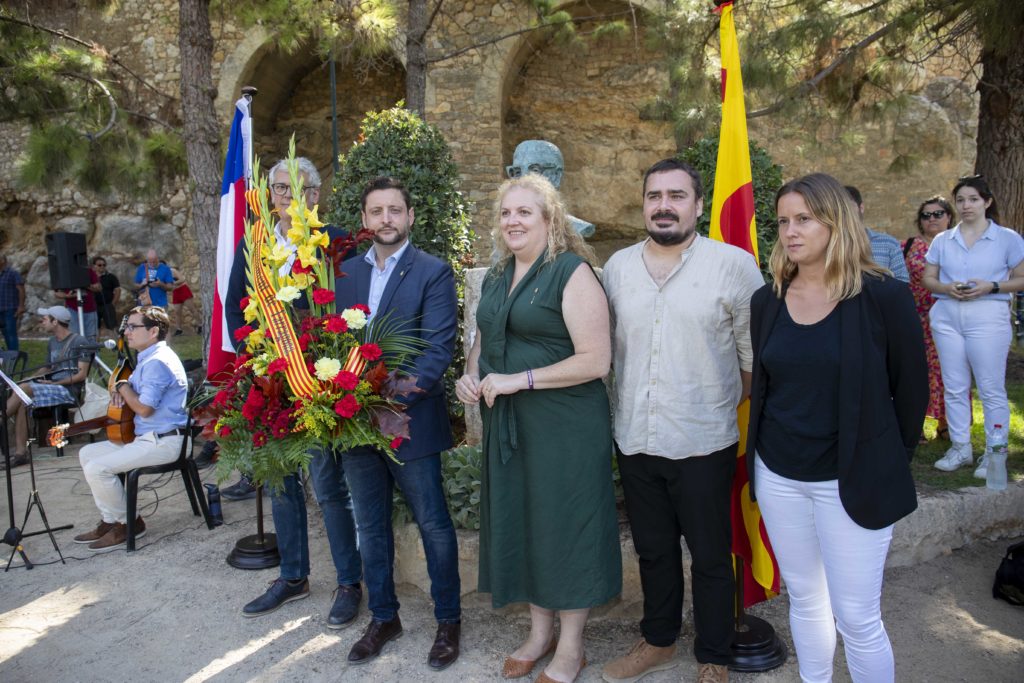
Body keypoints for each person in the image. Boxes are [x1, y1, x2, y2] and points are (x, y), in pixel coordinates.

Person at [747, 172, 927, 682]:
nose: (790, 231)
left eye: (803, 219)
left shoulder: (882, 297)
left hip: (852, 477)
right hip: (780, 474)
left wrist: (889, 458)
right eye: (783, 221)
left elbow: (910, 392)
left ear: (836, 221)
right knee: (804, 598)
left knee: (857, 616)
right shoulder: (769, 301)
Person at [601, 159, 764, 683]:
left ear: (698, 204)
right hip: (635, 437)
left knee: (712, 556)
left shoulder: (734, 266)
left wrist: (707, 402)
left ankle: (714, 654)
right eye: (654, 195)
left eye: (676, 195)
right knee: (653, 550)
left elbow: (752, 360)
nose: (664, 205)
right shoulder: (617, 268)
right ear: (644, 203)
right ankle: (658, 641)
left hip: (703, 441)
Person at [456, 175, 620, 683]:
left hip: (565, 427)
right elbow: (486, 338)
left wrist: (519, 380)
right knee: (526, 522)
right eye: (506, 213)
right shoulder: (498, 274)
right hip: (511, 426)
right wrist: (471, 375)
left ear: (550, 220)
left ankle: (571, 647)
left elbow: (597, 360)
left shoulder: (571, 272)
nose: (513, 221)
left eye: (525, 212)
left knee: (565, 526)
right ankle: (539, 631)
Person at [224, 156, 364, 629]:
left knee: (328, 486)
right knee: (282, 485)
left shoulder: (333, 239)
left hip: (317, 380)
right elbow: (235, 306)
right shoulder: (256, 242)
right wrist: (256, 361)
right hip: (271, 378)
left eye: (298, 190)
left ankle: (349, 582)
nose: (288, 199)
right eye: (279, 189)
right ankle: (293, 576)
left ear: (315, 196)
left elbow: (348, 305)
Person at [334, 176, 461, 670]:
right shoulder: (343, 274)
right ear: (364, 221)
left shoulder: (432, 271)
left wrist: (380, 400)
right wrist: (340, 400)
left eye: (395, 210)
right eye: (376, 211)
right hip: (351, 424)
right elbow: (327, 343)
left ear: (409, 217)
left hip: (409, 422)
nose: (386, 218)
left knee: (433, 523)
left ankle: (448, 621)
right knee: (370, 523)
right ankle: (384, 617)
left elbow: (436, 351)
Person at [924, 175, 1024, 477]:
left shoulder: (1007, 238)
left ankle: (995, 454)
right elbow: (929, 278)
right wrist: (946, 287)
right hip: (948, 317)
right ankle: (960, 448)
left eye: (973, 199)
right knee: (954, 386)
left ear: (987, 202)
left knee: (991, 387)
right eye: (961, 200)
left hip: (988, 317)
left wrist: (991, 286)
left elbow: (1021, 278)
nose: (967, 206)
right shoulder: (944, 240)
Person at [71, 305, 188, 551]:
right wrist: (121, 392)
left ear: (154, 330)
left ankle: (129, 524)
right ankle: (111, 520)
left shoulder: (158, 362)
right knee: (87, 454)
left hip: (166, 441)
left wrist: (122, 386)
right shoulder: (148, 358)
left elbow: (144, 409)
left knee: (98, 468)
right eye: (127, 327)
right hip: (147, 437)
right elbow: (134, 397)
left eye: (133, 327)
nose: (126, 332)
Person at [2, 306, 93, 470]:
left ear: (55, 321)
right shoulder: (52, 342)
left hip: (68, 391)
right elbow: (48, 368)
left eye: (44, 319)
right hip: (51, 387)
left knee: (25, 390)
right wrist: (30, 378)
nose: (41, 322)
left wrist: (54, 383)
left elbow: (81, 375)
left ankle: (2, 417)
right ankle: (21, 454)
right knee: (23, 397)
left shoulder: (79, 341)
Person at [902, 197, 955, 441]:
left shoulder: (958, 246)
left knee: (950, 371)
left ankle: (949, 423)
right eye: (926, 215)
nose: (932, 219)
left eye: (937, 213)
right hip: (915, 319)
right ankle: (917, 422)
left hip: (949, 316)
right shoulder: (909, 245)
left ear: (949, 216)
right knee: (917, 372)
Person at [844, 185, 910, 283]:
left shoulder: (889, 243)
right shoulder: (830, 244)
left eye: (848, 206)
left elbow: (902, 282)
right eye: (839, 208)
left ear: (861, 208)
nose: (844, 212)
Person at [55, 266, 101, 340]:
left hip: (90, 309)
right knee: (75, 336)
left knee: (91, 336)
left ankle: (92, 351)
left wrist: (85, 284)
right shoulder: (64, 272)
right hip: (73, 309)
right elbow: (57, 293)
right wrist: (68, 295)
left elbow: (98, 287)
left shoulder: (88, 271)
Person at [0, 254, 25, 350]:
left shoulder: (13, 273)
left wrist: (21, 306)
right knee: (5, 333)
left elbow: (21, 290)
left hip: (10, 309)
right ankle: (7, 355)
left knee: (11, 333)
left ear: (3, 261)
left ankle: (13, 355)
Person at [92, 256, 122, 335]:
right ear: (94, 266)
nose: (102, 267)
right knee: (95, 328)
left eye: (104, 265)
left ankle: (116, 346)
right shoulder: (90, 278)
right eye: (99, 265)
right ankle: (95, 346)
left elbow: (117, 290)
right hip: (93, 306)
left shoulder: (111, 277)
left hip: (107, 305)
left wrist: (112, 304)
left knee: (112, 327)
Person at [169, 265, 200, 336]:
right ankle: (179, 329)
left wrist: (172, 283)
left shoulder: (172, 270)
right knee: (177, 312)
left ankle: (200, 325)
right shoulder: (163, 275)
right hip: (176, 292)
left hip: (182, 289)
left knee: (191, 308)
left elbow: (182, 279)